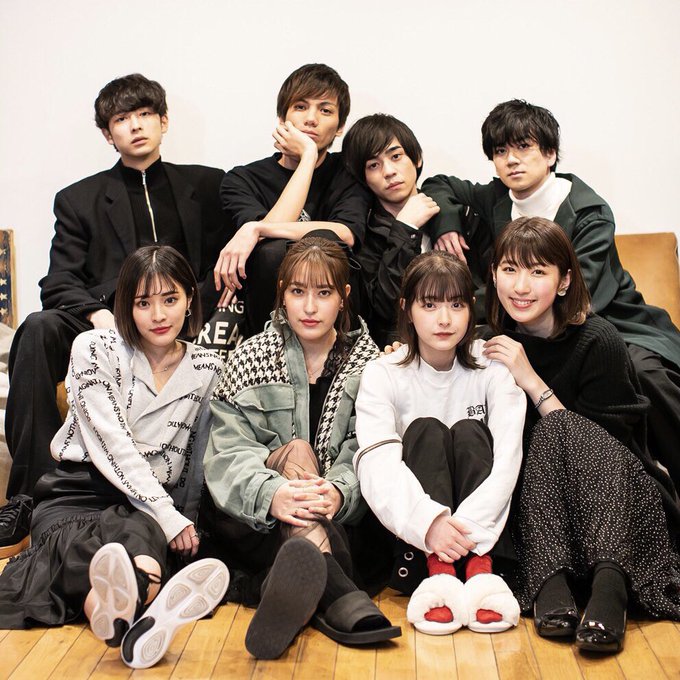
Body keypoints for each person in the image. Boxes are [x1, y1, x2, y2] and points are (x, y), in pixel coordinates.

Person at [2, 74, 229, 555]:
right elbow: (58, 281)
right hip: (107, 321)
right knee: (39, 327)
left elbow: (223, 264)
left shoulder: (208, 185)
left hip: (184, 318)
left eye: (145, 114)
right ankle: (28, 496)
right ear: (108, 135)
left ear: (164, 121)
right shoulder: (78, 199)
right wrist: (99, 315)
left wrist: (194, 314)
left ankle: (206, 516)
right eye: (122, 119)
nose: (136, 126)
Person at [421, 98, 680, 494]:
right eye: (500, 151)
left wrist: (486, 307)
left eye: (524, 147)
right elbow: (437, 184)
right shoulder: (496, 197)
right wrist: (448, 225)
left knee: (643, 373)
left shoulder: (588, 211)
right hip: (534, 325)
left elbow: (582, 293)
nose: (511, 160)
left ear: (550, 153)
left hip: (608, 320)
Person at [0, 245, 229, 669]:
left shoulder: (209, 368)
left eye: (170, 299)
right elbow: (111, 442)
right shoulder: (94, 347)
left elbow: (198, 461)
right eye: (143, 303)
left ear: (189, 300)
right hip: (78, 492)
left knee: (139, 536)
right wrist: (168, 516)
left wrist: (186, 525)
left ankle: (121, 619)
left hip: (148, 503)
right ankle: (142, 606)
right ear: (126, 306)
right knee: (75, 546)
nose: (158, 315)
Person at [482, 217, 680, 654]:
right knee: (533, 449)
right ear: (493, 275)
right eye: (510, 269)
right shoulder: (490, 344)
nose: (521, 286)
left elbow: (607, 450)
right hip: (542, 515)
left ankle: (610, 588)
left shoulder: (598, 339)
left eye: (538, 271)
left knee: (557, 427)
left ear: (565, 281)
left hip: (621, 502)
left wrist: (532, 382)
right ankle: (551, 585)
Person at [202, 236, 400, 660]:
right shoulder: (248, 358)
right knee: (296, 452)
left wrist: (340, 491)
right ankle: (340, 596)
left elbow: (369, 450)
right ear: (282, 293)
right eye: (298, 292)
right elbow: (227, 454)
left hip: (344, 521)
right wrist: (272, 493)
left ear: (344, 297)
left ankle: (290, 587)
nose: (310, 307)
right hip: (259, 522)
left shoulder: (372, 366)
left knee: (304, 468)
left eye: (324, 293)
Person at [354, 251, 526, 636]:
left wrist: (465, 530)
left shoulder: (492, 367)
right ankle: (440, 576)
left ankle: (481, 576)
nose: (444, 319)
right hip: (415, 545)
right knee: (426, 430)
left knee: (469, 431)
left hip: (485, 540)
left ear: (471, 308)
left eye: (456, 305)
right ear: (407, 309)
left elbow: (507, 458)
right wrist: (430, 525)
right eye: (429, 305)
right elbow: (377, 465)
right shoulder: (383, 373)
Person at [216, 63, 371, 336]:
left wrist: (257, 227)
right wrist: (309, 157)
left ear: (340, 127)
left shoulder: (349, 172)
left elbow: (345, 233)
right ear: (281, 118)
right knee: (271, 251)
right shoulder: (242, 179)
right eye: (300, 107)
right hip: (267, 318)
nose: (311, 119)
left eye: (325, 110)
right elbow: (265, 248)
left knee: (327, 241)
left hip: (337, 319)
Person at [341, 114, 440, 346]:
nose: (389, 171)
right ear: (364, 178)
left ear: (417, 158)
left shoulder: (451, 214)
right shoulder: (363, 237)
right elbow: (386, 311)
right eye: (373, 165)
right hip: (395, 349)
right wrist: (404, 229)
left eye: (396, 156)